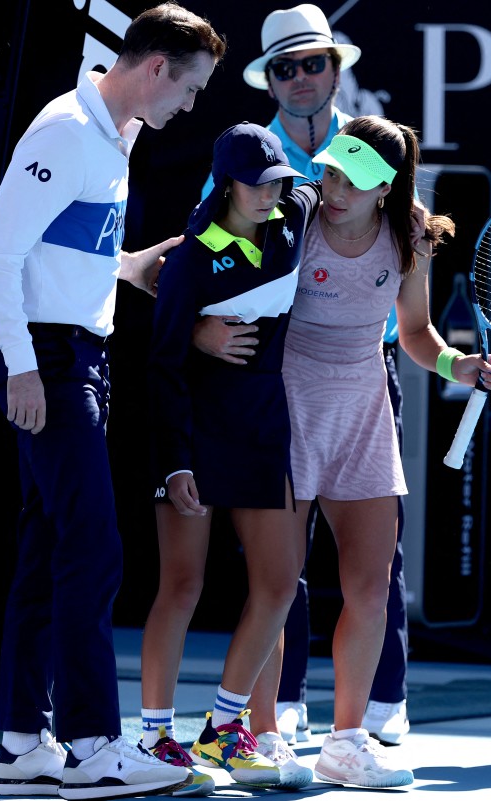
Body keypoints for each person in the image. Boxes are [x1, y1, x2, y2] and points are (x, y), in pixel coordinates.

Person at [0, 5, 226, 798]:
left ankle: (23, 744)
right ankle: (89, 744)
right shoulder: (63, 131)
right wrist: (20, 367)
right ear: (156, 70)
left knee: (50, 548)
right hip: (46, 362)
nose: (189, 108)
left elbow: (56, 246)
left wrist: (123, 267)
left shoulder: (115, 135)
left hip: (78, 355)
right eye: (189, 91)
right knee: (93, 547)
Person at [255, 115, 491, 788]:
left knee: (369, 589)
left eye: (355, 182)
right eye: (333, 173)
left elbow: (417, 331)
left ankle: (345, 741)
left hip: (365, 410)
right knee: (276, 586)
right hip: (287, 405)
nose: (336, 190)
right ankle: (259, 737)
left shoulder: (411, 235)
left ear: (387, 188)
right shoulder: (296, 214)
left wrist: (459, 366)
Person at [196, 2, 413, 749]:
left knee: (377, 558)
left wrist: (451, 359)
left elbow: (412, 309)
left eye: (311, 62)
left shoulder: (377, 154)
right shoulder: (254, 160)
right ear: (272, 80)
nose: (299, 78)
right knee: (278, 569)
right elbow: (205, 259)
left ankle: (379, 705)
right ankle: (277, 710)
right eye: (284, 67)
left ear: (335, 69)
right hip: (279, 379)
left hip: (368, 373)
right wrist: (202, 323)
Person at [139, 122, 319, 795]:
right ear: (227, 183)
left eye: (279, 180)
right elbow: (160, 363)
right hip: (193, 438)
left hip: (262, 430)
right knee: (182, 585)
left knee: (279, 581)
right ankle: (155, 734)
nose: (272, 193)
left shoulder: (294, 214)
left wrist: (407, 209)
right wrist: (176, 461)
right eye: (258, 182)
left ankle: (222, 727)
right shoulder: (188, 258)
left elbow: (346, 194)